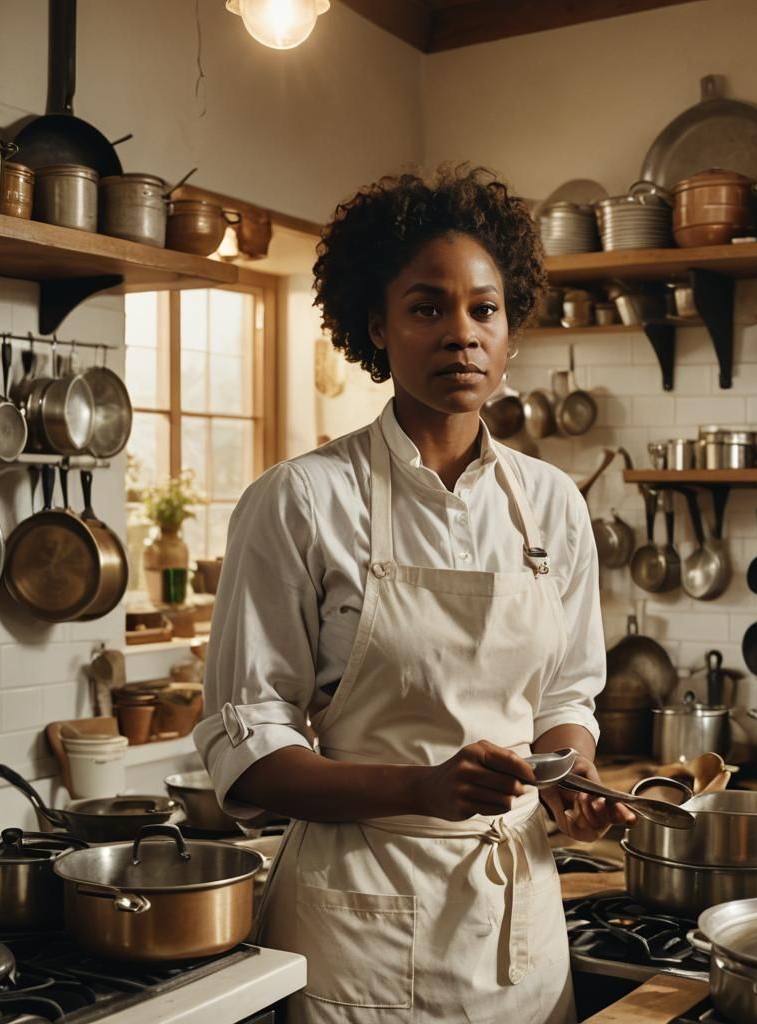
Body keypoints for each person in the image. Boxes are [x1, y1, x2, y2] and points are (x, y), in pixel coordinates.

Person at [194, 164, 633, 1024]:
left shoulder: (552, 504)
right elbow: (246, 743)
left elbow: (567, 692)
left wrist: (570, 766)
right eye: (427, 308)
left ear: (510, 335)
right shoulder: (302, 499)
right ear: (377, 328)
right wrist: (419, 790)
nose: (461, 335)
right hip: (360, 922)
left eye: (484, 310)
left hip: (519, 927)